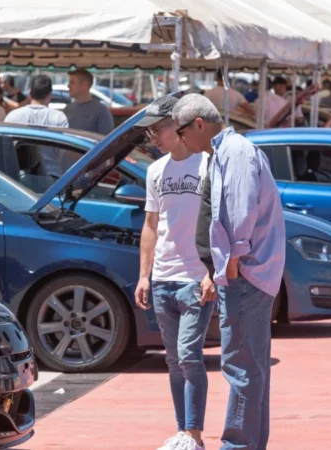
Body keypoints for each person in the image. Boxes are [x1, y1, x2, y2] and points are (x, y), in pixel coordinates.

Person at [172, 94, 285, 450]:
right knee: (251, 368)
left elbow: (239, 215)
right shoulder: (228, 152)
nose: (180, 140)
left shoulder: (234, 153)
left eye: (180, 132)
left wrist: (231, 267)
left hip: (245, 275)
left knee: (240, 367)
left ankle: (238, 444)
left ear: (198, 124)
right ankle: (248, 443)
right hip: (248, 274)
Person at [134, 96, 213, 450]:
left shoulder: (207, 164)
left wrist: (212, 271)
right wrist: (144, 275)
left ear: (178, 124)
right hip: (163, 278)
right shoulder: (155, 170)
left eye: (157, 129)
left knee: (188, 355)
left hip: (196, 278)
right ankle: (183, 433)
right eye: (149, 132)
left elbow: (220, 221)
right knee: (173, 360)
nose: (153, 137)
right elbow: (151, 225)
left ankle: (193, 435)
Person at [5, 75, 70, 178]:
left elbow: (6, 147)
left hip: (19, 176)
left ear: (30, 93)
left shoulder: (13, 116)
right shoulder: (59, 117)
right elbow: (64, 150)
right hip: (52, 174)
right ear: (50, 95)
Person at [64, 68, 114, 134]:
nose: (68, 86)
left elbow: (108, 139)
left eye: (72, 83)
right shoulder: (67, 109)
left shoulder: (101, 111)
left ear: (84, 85)